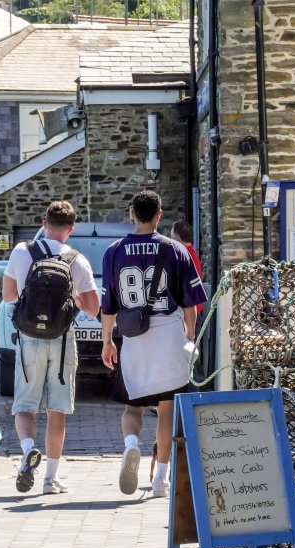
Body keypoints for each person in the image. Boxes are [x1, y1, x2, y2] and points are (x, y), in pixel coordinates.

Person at [100, 190, 207, 499]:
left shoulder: (114, 252)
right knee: (167, 411)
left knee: (133, 407)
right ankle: (161, 480)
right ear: (159, 214)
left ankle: (131, 445)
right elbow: (190, 304)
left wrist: (108, 340)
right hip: (168, 335)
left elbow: (109, 304)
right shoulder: (175, 250)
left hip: (134, 338)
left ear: (132, 213)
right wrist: (190, 335)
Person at [2, 200, 100, 494]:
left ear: (44, 224)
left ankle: (29, 450)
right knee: (57, 410)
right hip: (61, 339)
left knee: (24, 406)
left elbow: (8, 295)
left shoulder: (22, 251)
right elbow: (94, 309)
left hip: (29, 337)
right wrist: (76, 299)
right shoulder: (76, 259)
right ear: (70, 229)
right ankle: (50, 480)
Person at [170, 220, 204, 314]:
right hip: (194, 309)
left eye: (171, 236)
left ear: (177, 237)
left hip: (189, 313)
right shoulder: (191, 254)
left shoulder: (184, 256)